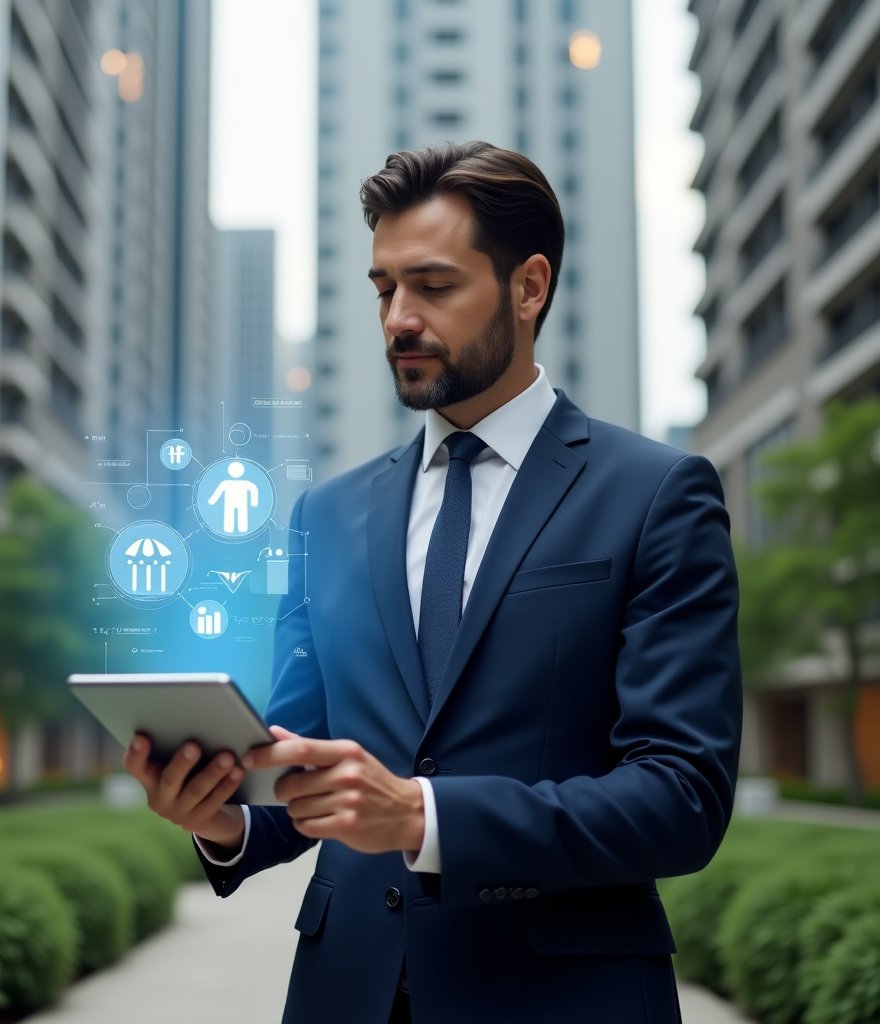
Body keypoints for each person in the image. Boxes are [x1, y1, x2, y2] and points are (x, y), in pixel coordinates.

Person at [124, 141, 742, 1024]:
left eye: (434, 286)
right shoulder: (326, 516)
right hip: (346, 991)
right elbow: (302, 767)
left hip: (568, 998)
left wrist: (425, 818)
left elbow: (682, 796)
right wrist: (219, 816)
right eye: (384, 289)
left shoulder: (656, 493)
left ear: (529, 288)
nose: (398, 320)